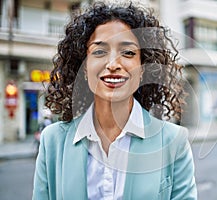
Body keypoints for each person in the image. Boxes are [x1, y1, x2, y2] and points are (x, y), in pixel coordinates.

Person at [33, 1, 197, 200]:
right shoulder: (52, 141)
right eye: (99, 51)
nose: (113, 64)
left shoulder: (174, 142)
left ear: (143, 68)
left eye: (128, 52)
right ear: (84, 67)